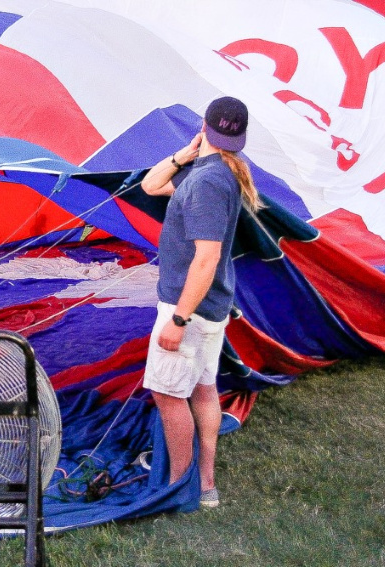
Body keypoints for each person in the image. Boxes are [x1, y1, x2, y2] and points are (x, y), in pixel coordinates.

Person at [140, 96, 263, 508]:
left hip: (189, 308)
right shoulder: (212, 172)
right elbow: (151, 185)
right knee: (203, 389)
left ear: (204, 124)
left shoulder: (208, 183)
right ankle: (204, 484)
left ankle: (180, 487)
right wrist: (185, 154)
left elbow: (206, 257)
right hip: (210, 309)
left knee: (168, 395)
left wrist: (177, 319)